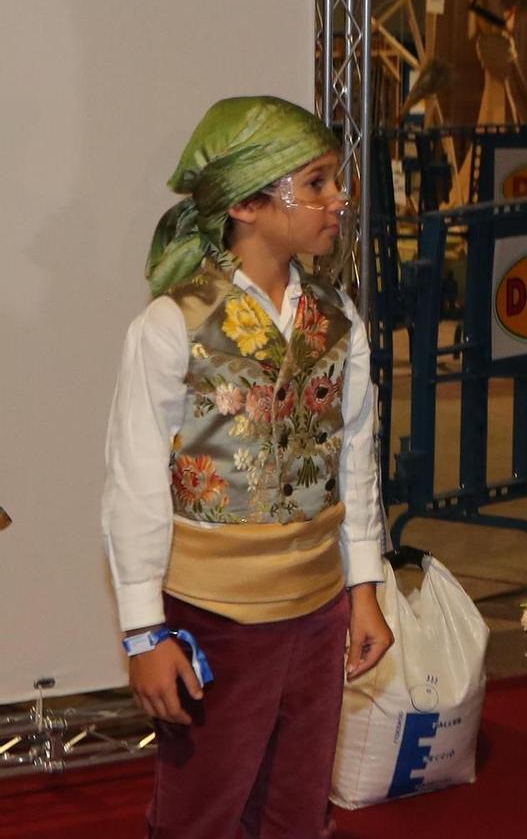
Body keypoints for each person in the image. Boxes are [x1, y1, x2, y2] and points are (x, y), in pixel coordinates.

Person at [103, 96, 393, 838]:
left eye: (336, 181)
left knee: (296, 812)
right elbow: (134, 481)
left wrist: (363, 587)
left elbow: (354, 456)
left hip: (319, 611)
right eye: (318, 183)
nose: (339, 200)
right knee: (202, 810)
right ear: (248, 204)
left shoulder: (339, 316)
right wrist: (144, 634)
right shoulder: (172, 325)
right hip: (213, 618)